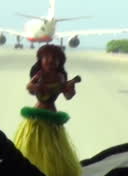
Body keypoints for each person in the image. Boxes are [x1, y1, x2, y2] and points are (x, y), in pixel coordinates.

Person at [13, 44, 82, 176]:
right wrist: (38, 87)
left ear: (59, 62)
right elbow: (29, 87)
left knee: (53, 151)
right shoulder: (38, 75)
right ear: (40, 60)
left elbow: (68, 96)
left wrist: (70, 90)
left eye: (54, 58)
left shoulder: (61, 78)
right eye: (46, 57)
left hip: (52, 117)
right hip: (36, 117)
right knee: (32, 146)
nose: (50, 60)